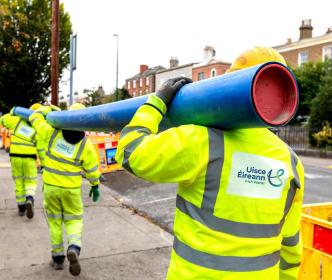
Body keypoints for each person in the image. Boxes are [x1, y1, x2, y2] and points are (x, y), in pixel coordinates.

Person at [115, 46, 305, 280]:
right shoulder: (291, 162)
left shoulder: (201, 141)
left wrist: (156, 104)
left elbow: (130, 152)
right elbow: (291, 243)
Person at [29, 103, 101, 276]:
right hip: (72, 190)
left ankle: (58, 259)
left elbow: (34, 117)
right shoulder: (86, 145)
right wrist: (95, 185)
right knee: (74, 220)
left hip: (51, 187)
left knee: (54, 223)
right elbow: (92, 169)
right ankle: (74, 246)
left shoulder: (51, 133)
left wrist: (49, 109)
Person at [0, 103, 43, 218]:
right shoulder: (38, 127)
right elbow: (41, 148)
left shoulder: (17, 121)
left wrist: (13, 112)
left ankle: (21, 207)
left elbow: (3, 120)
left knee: (19, 181)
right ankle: (29, 198)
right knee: (30, 181)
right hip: (29, 158)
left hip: (15, 156)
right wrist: (42, 163)